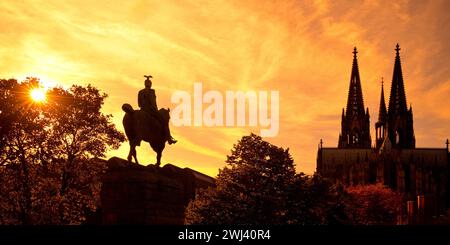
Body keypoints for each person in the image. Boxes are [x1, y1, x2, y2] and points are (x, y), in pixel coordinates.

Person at [138, 75, 177, 145]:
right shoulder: (152, 91)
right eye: (149, 83)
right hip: (151, 110)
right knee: (164, 121)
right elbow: (153, 102)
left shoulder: (140, 92)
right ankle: (169, 139)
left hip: (142, 109)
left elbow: (139, 103)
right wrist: (155, 110)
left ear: (145, 84)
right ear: (150, 84)